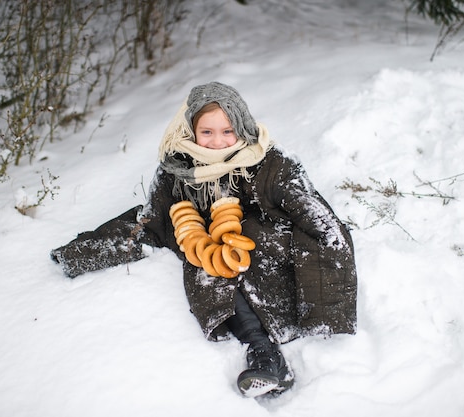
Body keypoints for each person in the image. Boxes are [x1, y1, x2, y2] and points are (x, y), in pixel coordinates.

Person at [50, 81, 358, 397]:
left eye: (228, 130)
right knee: (203, 265)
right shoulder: (177, 167)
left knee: (248, 237)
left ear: (242, 126)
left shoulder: (272, 163)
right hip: (216, 251)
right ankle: (266, 357)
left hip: (271, 254)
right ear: (191, 130)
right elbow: (152, 224)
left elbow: (323, 226)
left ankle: (273, 352)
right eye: (206, 132)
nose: (216, 141)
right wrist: (84, 253)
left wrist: (326, 319)